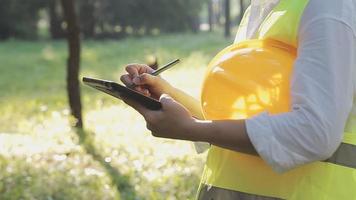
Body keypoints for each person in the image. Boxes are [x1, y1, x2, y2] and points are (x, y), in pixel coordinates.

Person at [120, 0, 356, 199]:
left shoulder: (330, 7)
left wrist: (193, 129)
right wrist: (168, 95)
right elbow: (242, 119)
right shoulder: (263, 9)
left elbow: (315, 132)